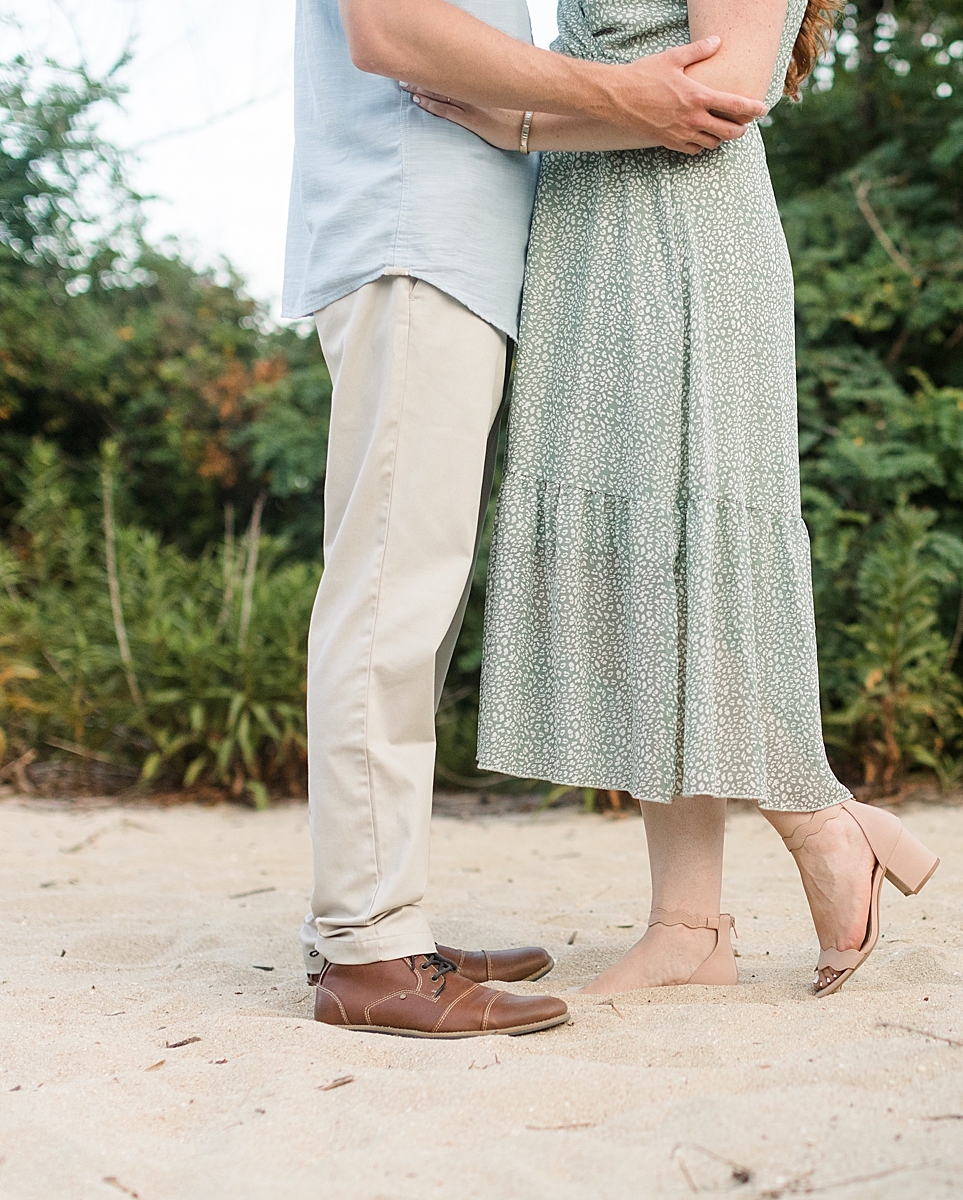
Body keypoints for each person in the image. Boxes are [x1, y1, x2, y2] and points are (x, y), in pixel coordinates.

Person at [408, 0, 939, 999]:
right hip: (589, 232)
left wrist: (509, 120)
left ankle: (822, 828)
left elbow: (722, 97)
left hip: (683, 239)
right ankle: (690, 924)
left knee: (682, 568)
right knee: (624, 576)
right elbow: (637, 83)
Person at [284, 0, 770, 1038]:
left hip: (448, 247)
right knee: (390, 595)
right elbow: (390, 29)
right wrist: (625, 94)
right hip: (412, 235)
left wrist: (537, 120)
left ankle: (378, 922)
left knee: (410, 595)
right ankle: (369, 949)